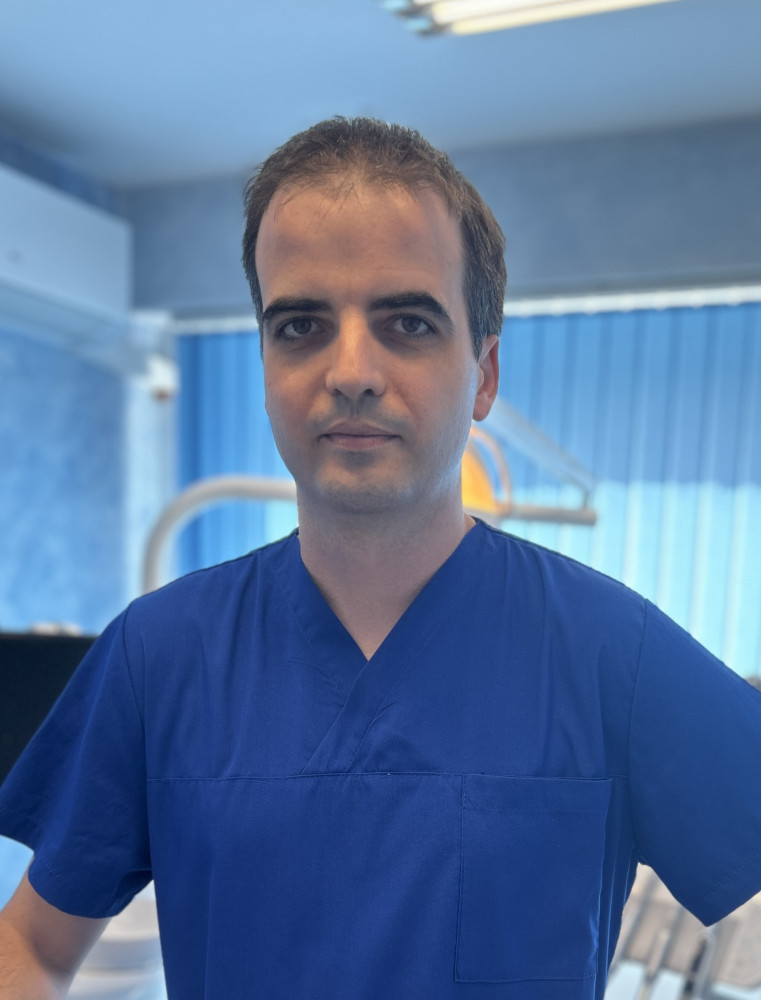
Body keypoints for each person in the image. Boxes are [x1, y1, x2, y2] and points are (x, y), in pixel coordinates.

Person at [1, 116, 760, 1000]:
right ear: (264, 364)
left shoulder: (608, 653)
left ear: (482, 375)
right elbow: (34, 946)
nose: (351, 371)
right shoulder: (158, 656)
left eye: (406, 322)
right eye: (300, 325)